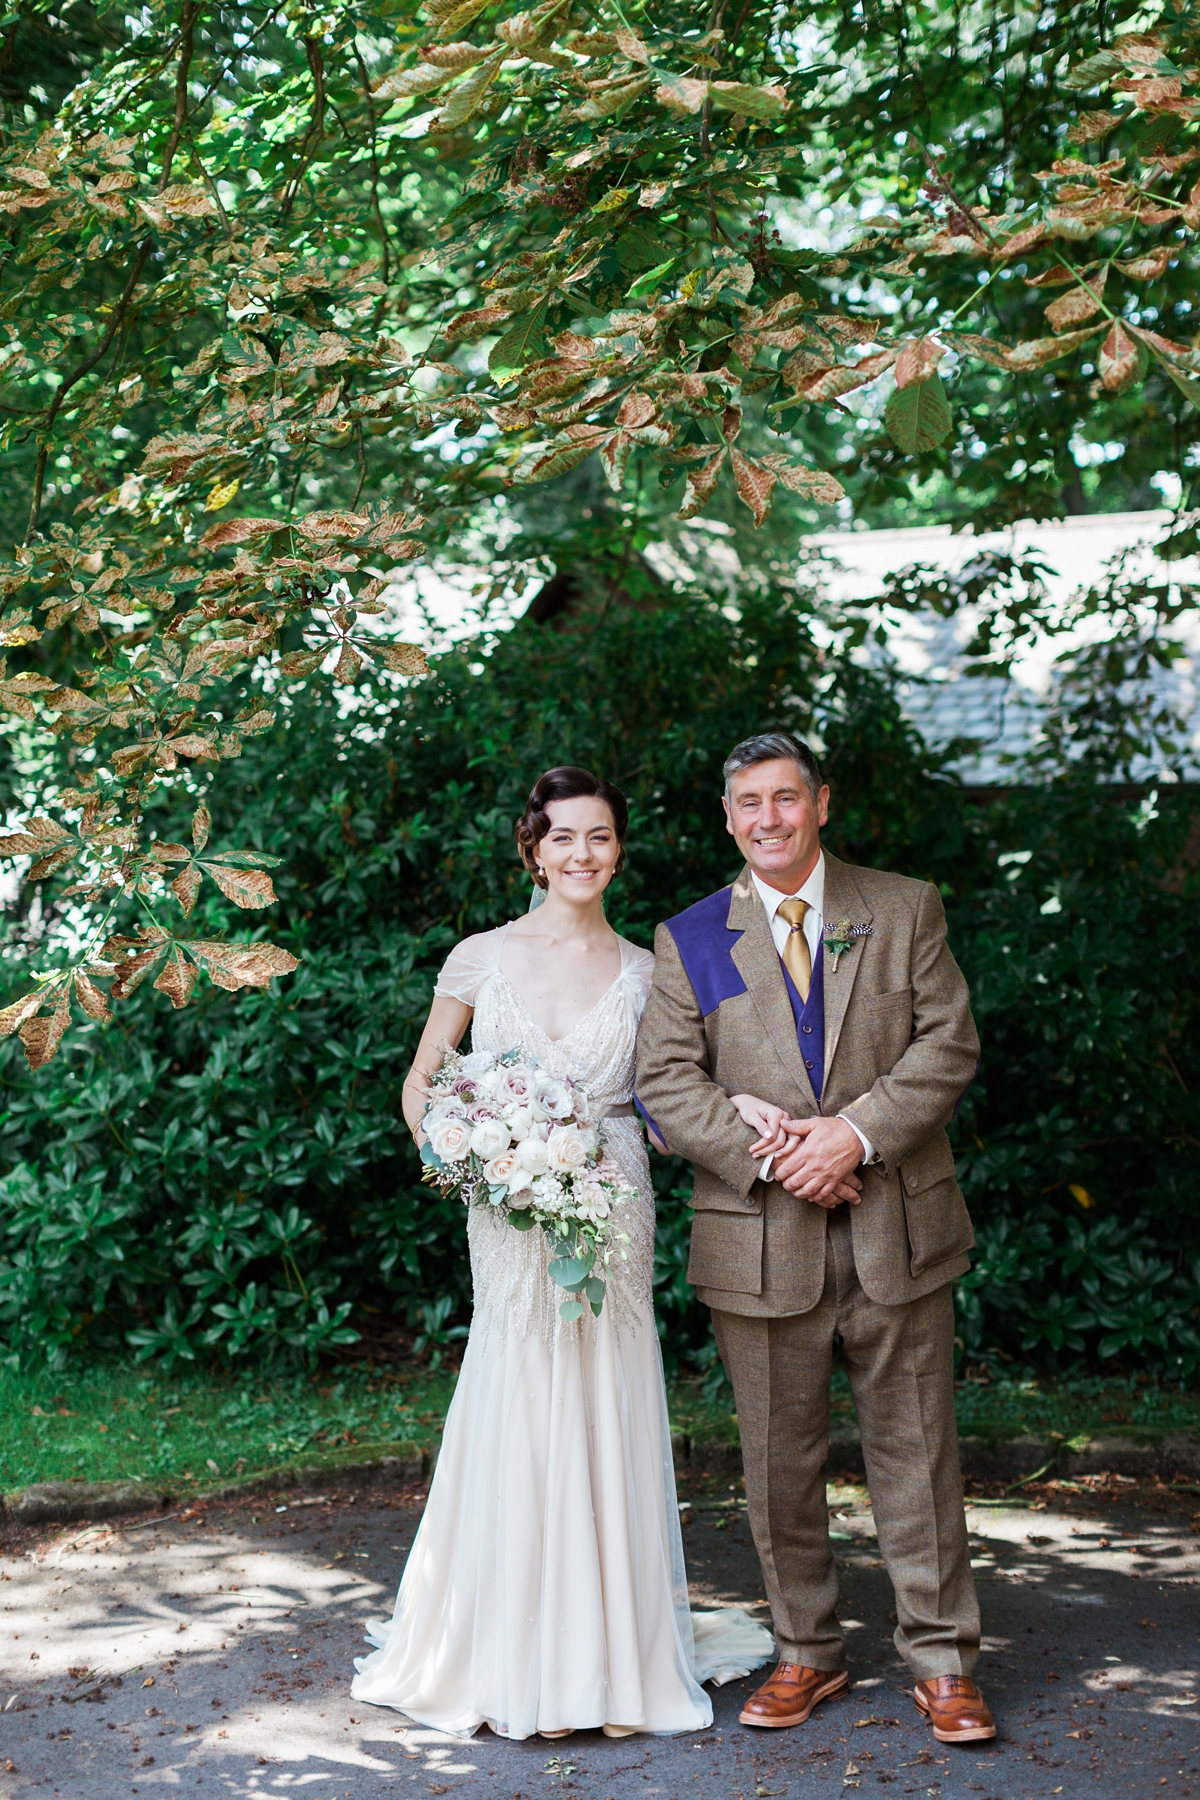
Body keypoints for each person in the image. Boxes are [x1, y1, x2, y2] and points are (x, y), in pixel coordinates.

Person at [350, 764, 772, 1740]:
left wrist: (735, 1113)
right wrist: (460, 1150)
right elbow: (423, 1082)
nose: (582, 854)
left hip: (612, 1196)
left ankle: (607, 1655)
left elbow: (666, 1110)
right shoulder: (477, 959)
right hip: (501, 1204)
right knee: (516, 1376)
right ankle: (499, 1646)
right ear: (532, 848)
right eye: (564, 837)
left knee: (601, 1387)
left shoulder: (646, 971)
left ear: (619, 852)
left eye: (601, 838)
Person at [634, 732, 996, 1747]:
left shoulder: (901, 905)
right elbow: (666, 1080)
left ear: (820, 804)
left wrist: (852, 1135)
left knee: (917, 1453)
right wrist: (777, 1158)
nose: (767, 819)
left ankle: (943, 1664)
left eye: (785, 799)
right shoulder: (696, 936)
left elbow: (949, 1041)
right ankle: (808, 1654)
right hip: (759, 1238)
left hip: (899, 1226)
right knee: (777, 1465)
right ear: (727, 816)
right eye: (748, 803)